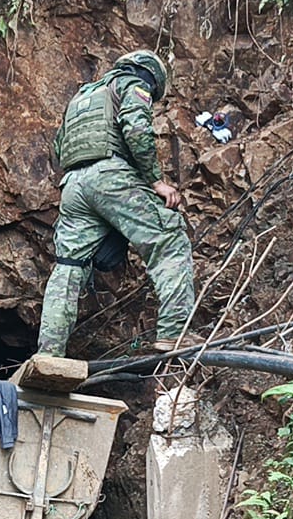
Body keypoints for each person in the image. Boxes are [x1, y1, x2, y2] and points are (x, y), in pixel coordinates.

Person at [37, 49, 199, 355]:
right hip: (110, 176)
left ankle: (49, 353)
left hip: (72, 186)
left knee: (69, 267)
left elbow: (58, 148)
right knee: (168, 238)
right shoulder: (131, 84)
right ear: (150, 76)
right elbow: (136, 129)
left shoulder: (82, 98)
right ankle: (175, 332)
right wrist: (155, 181)